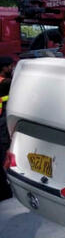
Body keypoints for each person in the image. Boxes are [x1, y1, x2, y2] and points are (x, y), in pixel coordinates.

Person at [0, 56, 14, 202]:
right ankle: (4, 190)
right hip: (2, 120)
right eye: (9, 66)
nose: (11, 68)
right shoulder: (6, 83)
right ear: (4, 68)